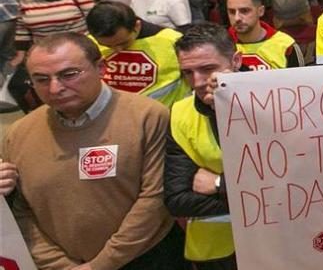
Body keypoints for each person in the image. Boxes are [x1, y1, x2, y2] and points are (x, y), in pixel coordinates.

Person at [2, 33, 187, 269]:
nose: (55, 88)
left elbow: (154, 200)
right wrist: (59, 265)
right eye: (41, 79)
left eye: (68, 75)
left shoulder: (148, 116)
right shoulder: (18, 134)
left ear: (100, 67)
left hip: (149, 259)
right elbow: (23, 213)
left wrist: (99, 266)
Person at [164, 23, 241, 269]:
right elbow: (177, 199)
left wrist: (220, 184)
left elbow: (300, 184)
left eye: (208, 69)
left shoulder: (279, 100)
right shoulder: (180, 115)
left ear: (236, 61)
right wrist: (257, 197)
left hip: (280, 243)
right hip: (217, 253)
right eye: (187, 72)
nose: (197, 82)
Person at [87, 1, 190, 107]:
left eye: (124, 43)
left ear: (137, 26)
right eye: (107, 46)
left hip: (162, 119)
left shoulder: (172, 41)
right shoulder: (89, 44)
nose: (118, 50)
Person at [226, 0, 302, 70]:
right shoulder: (219, 44)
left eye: (244, 11)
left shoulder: (286, 45)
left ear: (260, 11)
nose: (237, 18)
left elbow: (300, 81)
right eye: (232, 12)